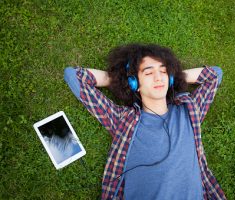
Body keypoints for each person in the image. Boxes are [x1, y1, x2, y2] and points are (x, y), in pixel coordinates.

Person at [64, 43, 226, 200]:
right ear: (135, 83)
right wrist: (120, 80)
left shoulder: (189, 110)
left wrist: (175, 77)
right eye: (148, 73)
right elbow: (74, 76)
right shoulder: (122, 120)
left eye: (163, 71)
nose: (158, 77)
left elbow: (214, 75)